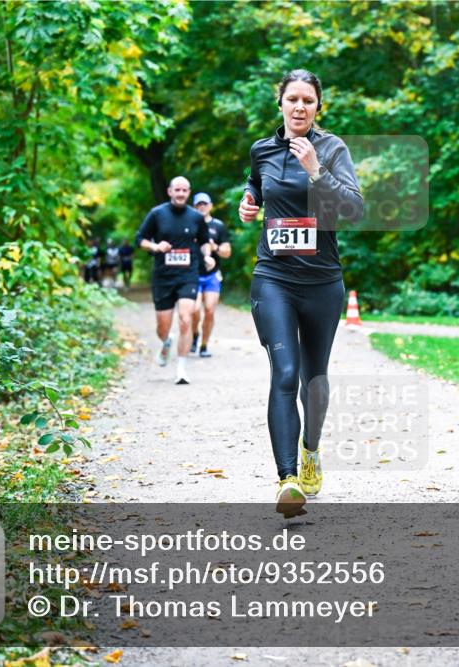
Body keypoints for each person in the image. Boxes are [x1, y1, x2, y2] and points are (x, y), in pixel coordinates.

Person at [239, 69, 363, 517]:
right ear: (280, 103)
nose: (299, 107)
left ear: (317, 107)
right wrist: (248, 201)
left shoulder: (332, 149)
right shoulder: (262, 150)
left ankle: (311, 449)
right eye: (292, 99)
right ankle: (287, 479)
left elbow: (353, 208)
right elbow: (256, 185)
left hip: (323, 282)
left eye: (308, 101)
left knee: (314, 379)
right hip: (273, 277)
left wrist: (316, 170)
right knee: (285, 373)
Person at [136, 176, 216, 384]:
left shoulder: (196, 217)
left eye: (184, 190)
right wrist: (155, 247)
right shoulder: (157, 214)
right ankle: (166, 341)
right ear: (170, 191)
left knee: (186, 318)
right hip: (163, 276)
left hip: (188, 275)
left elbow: (205, 242)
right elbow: (140, 239)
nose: (180, 194)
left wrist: (206, 256)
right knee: (163, 326)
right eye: (177, 190)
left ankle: (181, 368)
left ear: (188, 193)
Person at [190, 192, 231, 357]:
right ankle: (194, 336)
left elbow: (227, 252)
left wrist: (215, 248)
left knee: (209, 311)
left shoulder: (218, 226)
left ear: (210, 206)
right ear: (194, 207)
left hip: (212, 276)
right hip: (192, 275)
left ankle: (204, 346)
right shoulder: (189, 224)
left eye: (204, 204)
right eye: (198, 204)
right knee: (194, 311)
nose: (202, 207)